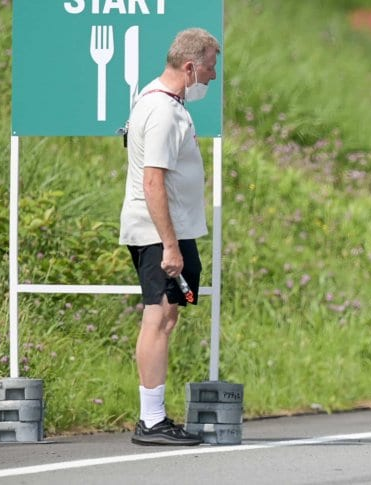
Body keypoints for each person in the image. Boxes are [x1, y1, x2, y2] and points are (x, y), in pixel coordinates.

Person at [119, 28, 220, 446]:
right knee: (157, 316)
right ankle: (152, 421)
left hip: (175, 231)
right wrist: (171, 246)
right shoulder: (161, 110)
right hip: (160, 234)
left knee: (172, 314)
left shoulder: (165, 102)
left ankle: (155, 415)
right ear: (191, 66)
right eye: (211, 67)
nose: (214, 77)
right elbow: (152, 181)